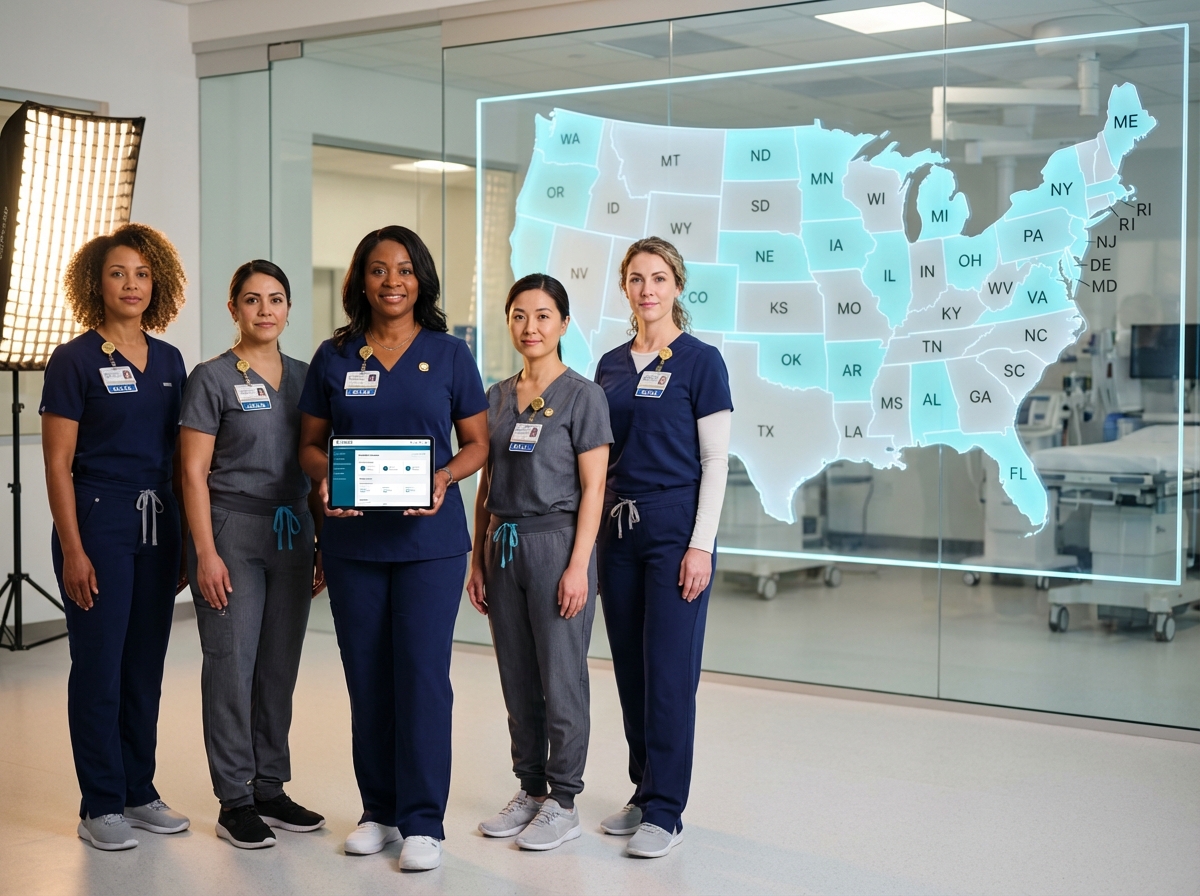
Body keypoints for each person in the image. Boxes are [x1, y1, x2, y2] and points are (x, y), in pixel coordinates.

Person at [298, 225, 489, 872]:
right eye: (378, 270)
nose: (392, 282)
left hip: (429, 543)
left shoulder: (450, 354)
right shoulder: (335, 356)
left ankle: (422, 821)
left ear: (422, 279)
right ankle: (378, 810)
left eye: (404, 270)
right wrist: (325, 477)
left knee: (422, 677)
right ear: (360, 280)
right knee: (368, 677)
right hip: (354, 541)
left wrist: (441, 477)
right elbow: (308, 446)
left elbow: (477, 446)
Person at [40, 223, 191, 851]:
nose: (131, 285)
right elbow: (56, 464)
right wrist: (73, 549)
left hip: (158, 524)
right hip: (98, 521)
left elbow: (182, 458)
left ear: (157, 283)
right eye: (117, 273)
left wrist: (183, 540)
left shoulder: (171, 359)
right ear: (95, 284)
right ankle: (100, 802)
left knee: (144, 667)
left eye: (141, 274)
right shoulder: (75, 359)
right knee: (99, 667)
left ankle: (138, 789)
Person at [593, 237, 732, 858]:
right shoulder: (610, 366)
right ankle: (644, 790)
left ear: (677, 286)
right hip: (618, 531)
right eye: (636, 279)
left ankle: (667, 810)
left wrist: (700, 546)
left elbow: (716, 461)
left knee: (669, 673)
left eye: (658, 278)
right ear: (625, 288)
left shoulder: (703, 362)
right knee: (630, 669)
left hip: (676, 531)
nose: (647, 289)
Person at [179, 260, 326, 849]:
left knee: (278, 670)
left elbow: (316, 463)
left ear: (288, 308)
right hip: (231, 531)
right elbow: (191, 472)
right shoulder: (211, 378)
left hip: (291, 532)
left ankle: (270, 785)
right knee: (231, 666)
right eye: (252, 299)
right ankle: (234, 798)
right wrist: (206, 554)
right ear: (233, 308)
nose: (265, 310)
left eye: (276, 299)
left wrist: (319, 541)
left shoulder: (306, 377)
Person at [466, 274, 611, 851]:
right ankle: (529, 787)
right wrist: (478, 558)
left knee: (561, 675)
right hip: (503, 545)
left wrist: (578, 566)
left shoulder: (583, 396)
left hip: (557, 545)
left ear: (564, 325)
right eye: (521, 315)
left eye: (544, 316)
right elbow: (485, 482)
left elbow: (594, 488)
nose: (531, 327)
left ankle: (565, 799)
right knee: (517, 675)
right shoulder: (496, 397)